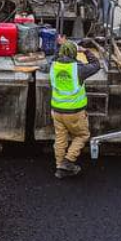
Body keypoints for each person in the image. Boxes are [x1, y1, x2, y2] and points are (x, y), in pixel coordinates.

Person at [49, 40, 101, 179]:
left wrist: (60, 44)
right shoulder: (79, 69)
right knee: (82, 135)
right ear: (74, 53)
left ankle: (59, 167)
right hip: (74, 112)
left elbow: (55, 57)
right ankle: (68, 161)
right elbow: (96, 65)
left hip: (57, 110)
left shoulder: (53, 65)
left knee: (60, 139)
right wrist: (86, 51)